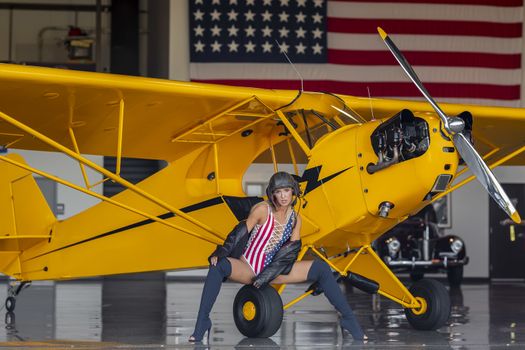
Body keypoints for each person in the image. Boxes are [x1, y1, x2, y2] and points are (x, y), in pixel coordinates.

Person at [189, 171, 367, 342]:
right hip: (249, 267)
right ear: (271, 194)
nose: (283, 196)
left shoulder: (296, 219)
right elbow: (240, 232)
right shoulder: (261, 210)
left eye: (286, 190)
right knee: (217, 266)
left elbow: (290, 254)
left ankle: (348, 320)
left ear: (293, 192)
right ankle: (203, 322)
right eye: (278, 192)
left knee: (321, 268)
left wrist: (268, 274)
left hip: (275, 270)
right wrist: (222, 252)